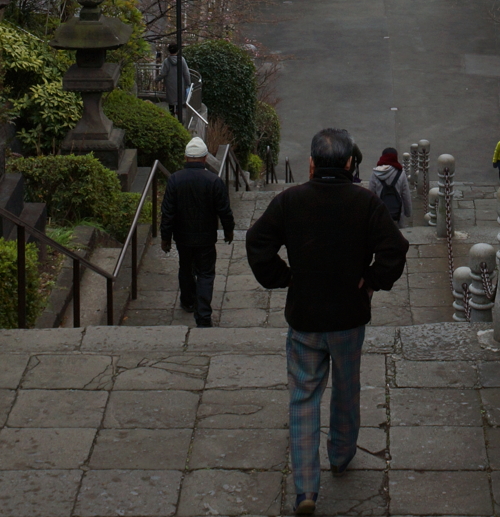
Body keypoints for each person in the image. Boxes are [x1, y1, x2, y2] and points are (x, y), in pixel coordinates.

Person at [246, 127, 409, 516]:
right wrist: (371, 280)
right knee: (346, 386)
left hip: (304, 315)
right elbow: (394, 250)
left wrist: (283, 277)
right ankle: (340, 453)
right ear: (351, 163)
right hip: (349, 315)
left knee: (302, 396)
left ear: (312, 163)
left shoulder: (290, 201)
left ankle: (305, 487)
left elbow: (257, 243)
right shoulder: (365, 202)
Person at [160, 135, 234, 327]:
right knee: (206, 274)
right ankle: (203, 314)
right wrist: (228, 231)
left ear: (186, 158)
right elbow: (224, 210)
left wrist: (165, 238)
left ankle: (188, 301)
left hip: (183, 237)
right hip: (206, 237)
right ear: (204, 158)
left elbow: (167, 213)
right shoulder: (213, 181)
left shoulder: (175, 180)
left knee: (185, 269)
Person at [368, 146, 412, 226]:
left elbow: (371, 194)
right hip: (398, 213)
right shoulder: (401, 173)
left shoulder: (375, 173)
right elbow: (406, 194)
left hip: (380, 212)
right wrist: (408, 212)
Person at [159, 41, 191, 119]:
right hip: (180, 83)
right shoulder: (182, 59)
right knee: (179, 99)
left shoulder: (166, 61)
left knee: (171, 101)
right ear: (178, 50)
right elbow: (186, 72)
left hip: (170, 84)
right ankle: (179, 116)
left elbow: (163, 73)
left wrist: (157, 79)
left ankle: (172, 116)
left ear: (169, 50)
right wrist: (188, 83)